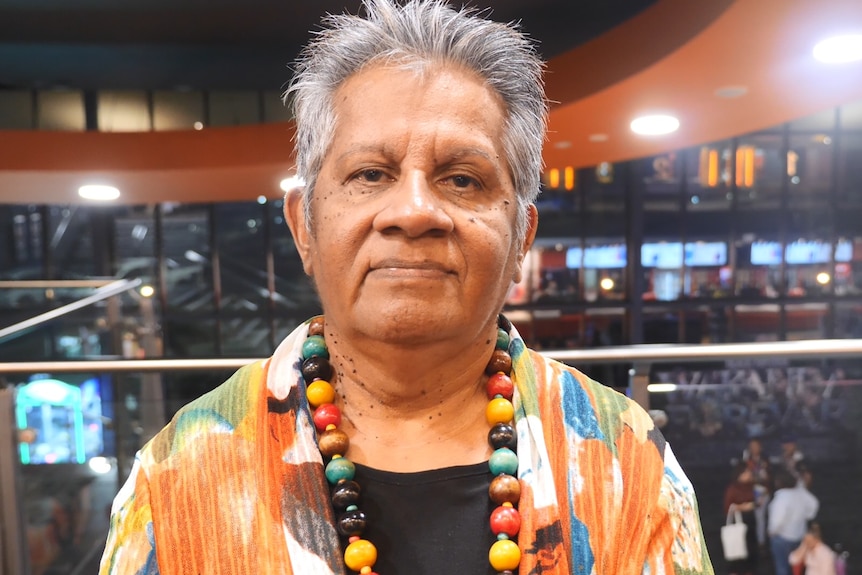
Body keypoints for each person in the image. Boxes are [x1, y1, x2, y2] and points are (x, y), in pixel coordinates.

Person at [99, 1, 713, 574]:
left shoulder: (629, 464)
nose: (415, 210)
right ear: (303, 226)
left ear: (522, 236)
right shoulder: (180, 476)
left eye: (463, 179)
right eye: (371, 173)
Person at [768, 468, 820, 575]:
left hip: (783, 539)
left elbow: (777, 522)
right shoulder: (801, 493)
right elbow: (814, 504)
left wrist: (771, 532)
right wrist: (807, 516)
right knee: (798, 567)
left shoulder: (780, 498)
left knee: (782, 567)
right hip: (799, 536)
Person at [723, 463, 759, 575]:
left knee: (750, 553)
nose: (749, 475)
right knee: (738, 553)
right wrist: (742, 507)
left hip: (750, 523)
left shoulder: (752, 486)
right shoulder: (733, 489)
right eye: (746, 472)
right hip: (738, 523)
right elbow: (727, 507)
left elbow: (757, 500)